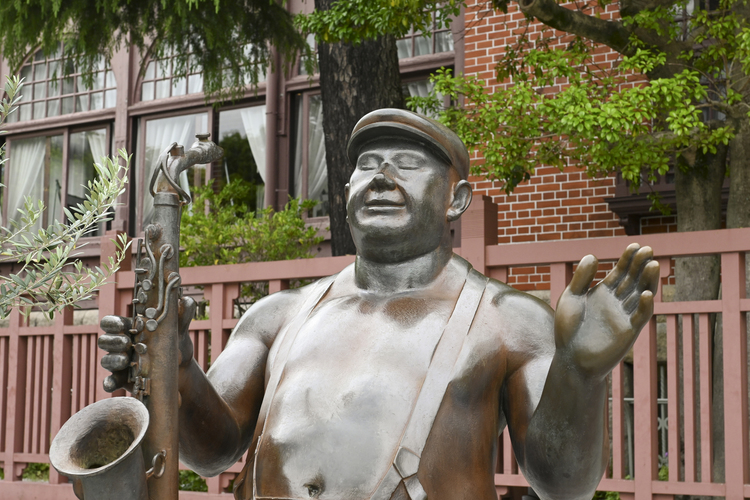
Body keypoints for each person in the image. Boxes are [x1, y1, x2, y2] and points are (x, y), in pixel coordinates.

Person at [101, 108, 659, 500]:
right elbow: (211, 452)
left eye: (407, 164)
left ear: (457, 199)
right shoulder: (278, 315)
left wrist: (579, 374)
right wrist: (176, 369)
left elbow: (563, 484)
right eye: (368, 164)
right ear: (344, 189)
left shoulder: (508, 320)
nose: (382, 177)